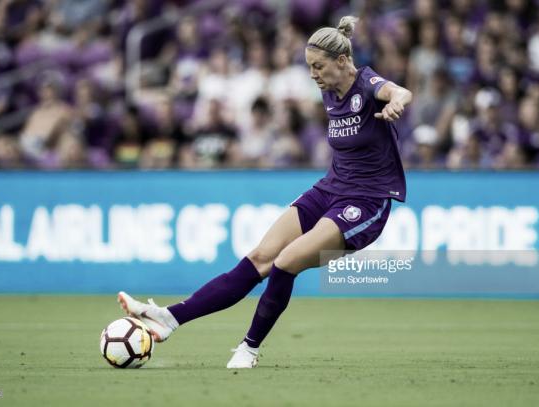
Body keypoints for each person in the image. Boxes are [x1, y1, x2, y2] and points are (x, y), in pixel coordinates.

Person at [117, 16, 412, 369]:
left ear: (342, 61)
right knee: (261, 257)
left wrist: (396, 102)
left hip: (366, 202)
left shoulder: (365, 83)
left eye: (318, 66)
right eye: (309, 67)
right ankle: (170, 317)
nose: (313, 74)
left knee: (286, 262)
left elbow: (398, 91)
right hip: (330, 188)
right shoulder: (329, 89)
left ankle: (249, 348)